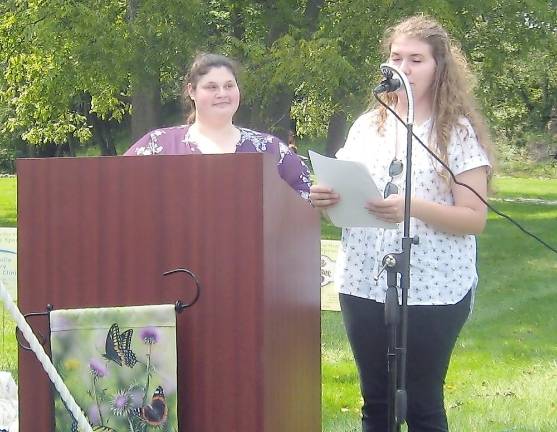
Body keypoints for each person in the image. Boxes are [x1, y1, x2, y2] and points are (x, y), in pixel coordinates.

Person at [310, 15, 492, 432]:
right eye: (396, 58)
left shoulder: (456, 133)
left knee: (422, 403)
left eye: (416, 59)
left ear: (438, 67)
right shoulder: (366, 126)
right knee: (376, 400)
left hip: (434, 287)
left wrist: (413, 208)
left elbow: (473, 217)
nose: (403, 68)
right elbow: (349, 193)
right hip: (363, 280)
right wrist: (327, 199)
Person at [124, 53, 311, 199]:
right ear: (191, 91)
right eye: (212, 87)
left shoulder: (270, 150)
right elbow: (117, 188)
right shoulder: (158, 146)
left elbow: (304, 197)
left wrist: (324, 201)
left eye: (229, 86)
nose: (222, 93)